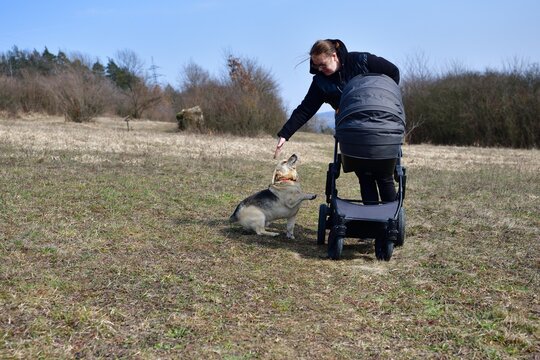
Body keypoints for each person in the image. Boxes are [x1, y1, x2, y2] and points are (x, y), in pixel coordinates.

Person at [274, 39, 402, 204]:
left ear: (334, 55)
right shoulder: (321, 82)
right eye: (316, 66)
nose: (319, 69)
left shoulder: (361, 61)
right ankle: (373, 221)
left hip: (381, 126)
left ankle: (389, 219)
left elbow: (393, 72)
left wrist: (384, 99)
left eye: (322, 65)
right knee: (364, 175)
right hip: (352, 132)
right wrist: (285, 134)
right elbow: (305, 109)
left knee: (384, 175)